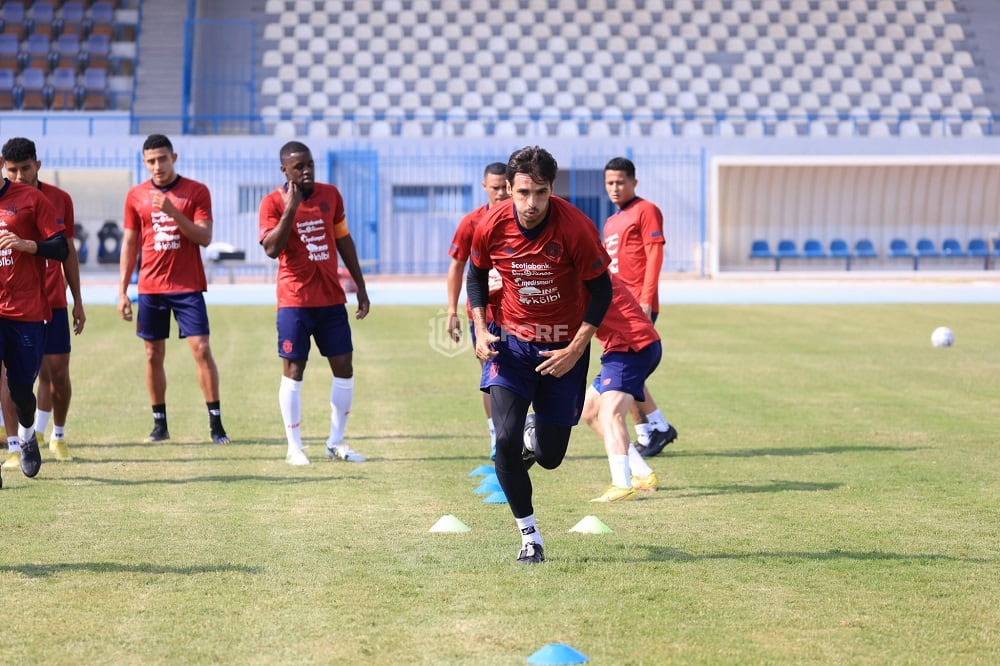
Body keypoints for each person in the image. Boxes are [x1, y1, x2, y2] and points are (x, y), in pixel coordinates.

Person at [468, 146, 612, 564]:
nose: (532, 204)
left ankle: (537, 434)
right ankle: (531, 537)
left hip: (562, 349)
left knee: (549, 458)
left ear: (553, 189)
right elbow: (476, 274)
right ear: (509, 189)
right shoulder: (491, 225)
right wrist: (480, 327)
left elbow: (601, 290)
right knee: (506, 443)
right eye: (524, 193)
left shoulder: (577, 228)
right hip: (510, 343)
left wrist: (576, 347)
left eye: (541, 193)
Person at [258, 140, 370, 466]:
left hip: (331, 299)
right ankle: (294, 447)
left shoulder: (331, 195)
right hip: (294, 300)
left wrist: (360, 287)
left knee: (345, 368)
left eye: (310, 164)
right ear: (285, 170)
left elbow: (343, 239)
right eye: (299, 167)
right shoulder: (271, 203)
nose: (307, 171)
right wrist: (291, 208)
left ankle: (336, 442)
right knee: (294, 370)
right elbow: (270, 249)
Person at [118, 134, 230, 445]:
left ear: (174, 158)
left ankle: (216, 424)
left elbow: (204, 237)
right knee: (153, 353)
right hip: (151, 288)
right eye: (151, 161)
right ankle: (160, 424)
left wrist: (173, 212)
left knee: (202, 349)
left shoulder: (196, 191)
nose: (157, 166)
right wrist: (123, 291)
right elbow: (130, 244)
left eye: (162, 159)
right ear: (144, 163)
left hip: (187, 287)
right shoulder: (135, 196)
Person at [0, 137, 85, 465]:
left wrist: (77, 299)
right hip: (11, 305)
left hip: (47, 302)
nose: (20, 175)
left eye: (25, 168)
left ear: (38, 164)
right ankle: (15, 445)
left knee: (55, 373)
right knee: (8, 376)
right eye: (14, 170)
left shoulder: (55, 199)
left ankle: (55, 434)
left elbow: (66, 250)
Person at [603, 156, 677, 457]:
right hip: (618, 308)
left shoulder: (646, 211)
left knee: (624, 371)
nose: (615, 187)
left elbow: (654, 253)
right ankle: (652, 430)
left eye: (621, 181)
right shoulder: (610, 222)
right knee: (625, 372)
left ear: (634, 181)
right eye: (610, 182)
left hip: (638, 306)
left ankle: (653, 429)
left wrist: (646, 298)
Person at [445, 162, 510, 460]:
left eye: (504, 187)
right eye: (494, 187)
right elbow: (457, 266)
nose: (500, 192)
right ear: (484, 186)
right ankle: (497, 438)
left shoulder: (524, 219)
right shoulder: (471, 223)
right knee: (491, 377)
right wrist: (451, 310)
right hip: (483, 315)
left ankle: (522, 432)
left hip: (521, 313)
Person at [579, 275, 663, 502]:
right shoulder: (579, 266)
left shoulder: (583, 268)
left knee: (610, 413)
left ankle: (621, 484)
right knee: (589, 411)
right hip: (621, 349)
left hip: (631, 347)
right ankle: (642, 474)